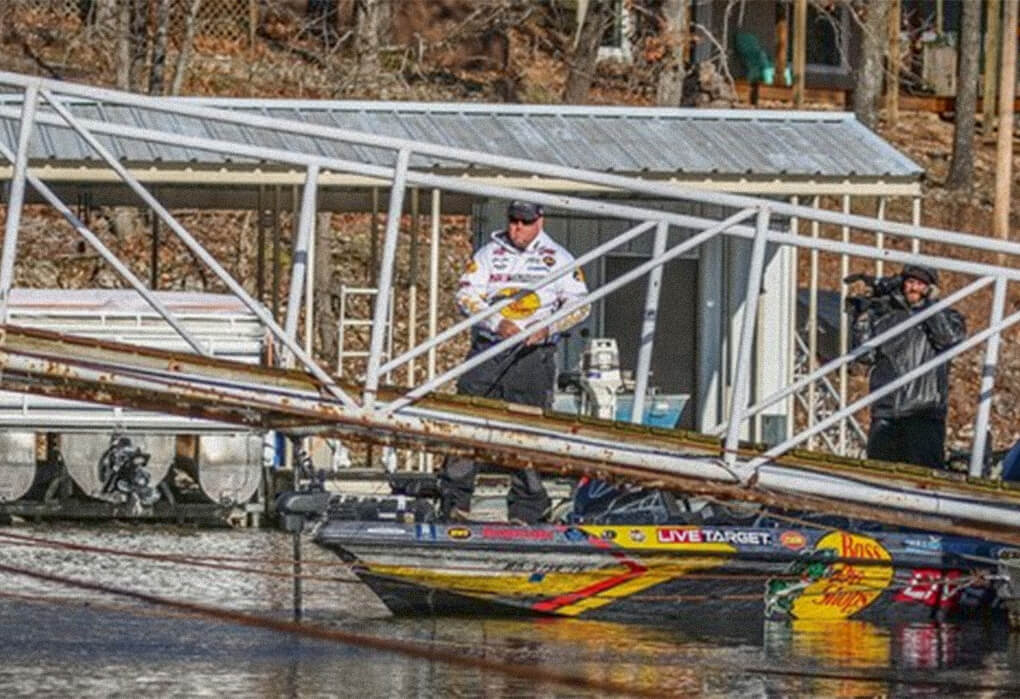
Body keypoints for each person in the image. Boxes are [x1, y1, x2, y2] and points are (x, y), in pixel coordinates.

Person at [438, 200, 590, 524]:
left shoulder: (559, 259)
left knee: (527, 430)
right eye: (513, 221)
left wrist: (548, 327)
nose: (516, 229)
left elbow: (580, 304)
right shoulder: (488, 254)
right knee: (468, 423)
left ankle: (528, 507)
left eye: (524, 222)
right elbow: (466, 295)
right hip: (489, 350)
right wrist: (496, 322)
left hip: (532, 357)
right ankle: (455, 501)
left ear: (540, 221)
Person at [849, 264, 966, 469]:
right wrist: (861, 318)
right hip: (886, 410)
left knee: (925, 478)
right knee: (878, 477)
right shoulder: (886, 315)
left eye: (921, 284)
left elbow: (949, 338)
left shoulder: (947, 316)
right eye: (910, 282)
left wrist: (930, 306)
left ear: (931, 288)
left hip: (924, 412)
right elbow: (865, 356)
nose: (914, 288)